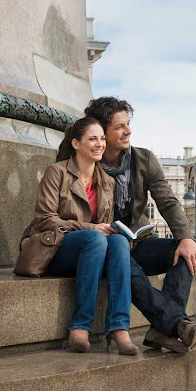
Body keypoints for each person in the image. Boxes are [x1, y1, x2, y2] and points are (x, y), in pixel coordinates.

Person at [23, 98, 196, 353]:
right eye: (120, 127)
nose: (128, 131)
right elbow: (54, 207)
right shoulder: (79, 161)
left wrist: (186, 237)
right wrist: (29, 235)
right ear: (101, 131)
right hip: (101, 245)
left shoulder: (143, 160)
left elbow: (168, 201)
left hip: (135, 242)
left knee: (185, 253)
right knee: (116, 248)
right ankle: (174, 324)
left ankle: (164, 328)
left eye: (128, 124)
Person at [32, 116, 138, 355]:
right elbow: (46, 220)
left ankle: (119, 328)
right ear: (76, 144)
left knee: (119, 240)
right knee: (96, 238)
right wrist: (92, 229)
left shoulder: (107, 182)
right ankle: (80, 326)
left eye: (102, 138)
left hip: (94, 252)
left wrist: (118, 232)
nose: (100, 144)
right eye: (92, 139)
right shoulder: (56, 173)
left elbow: (104, 224)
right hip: (57, 251)